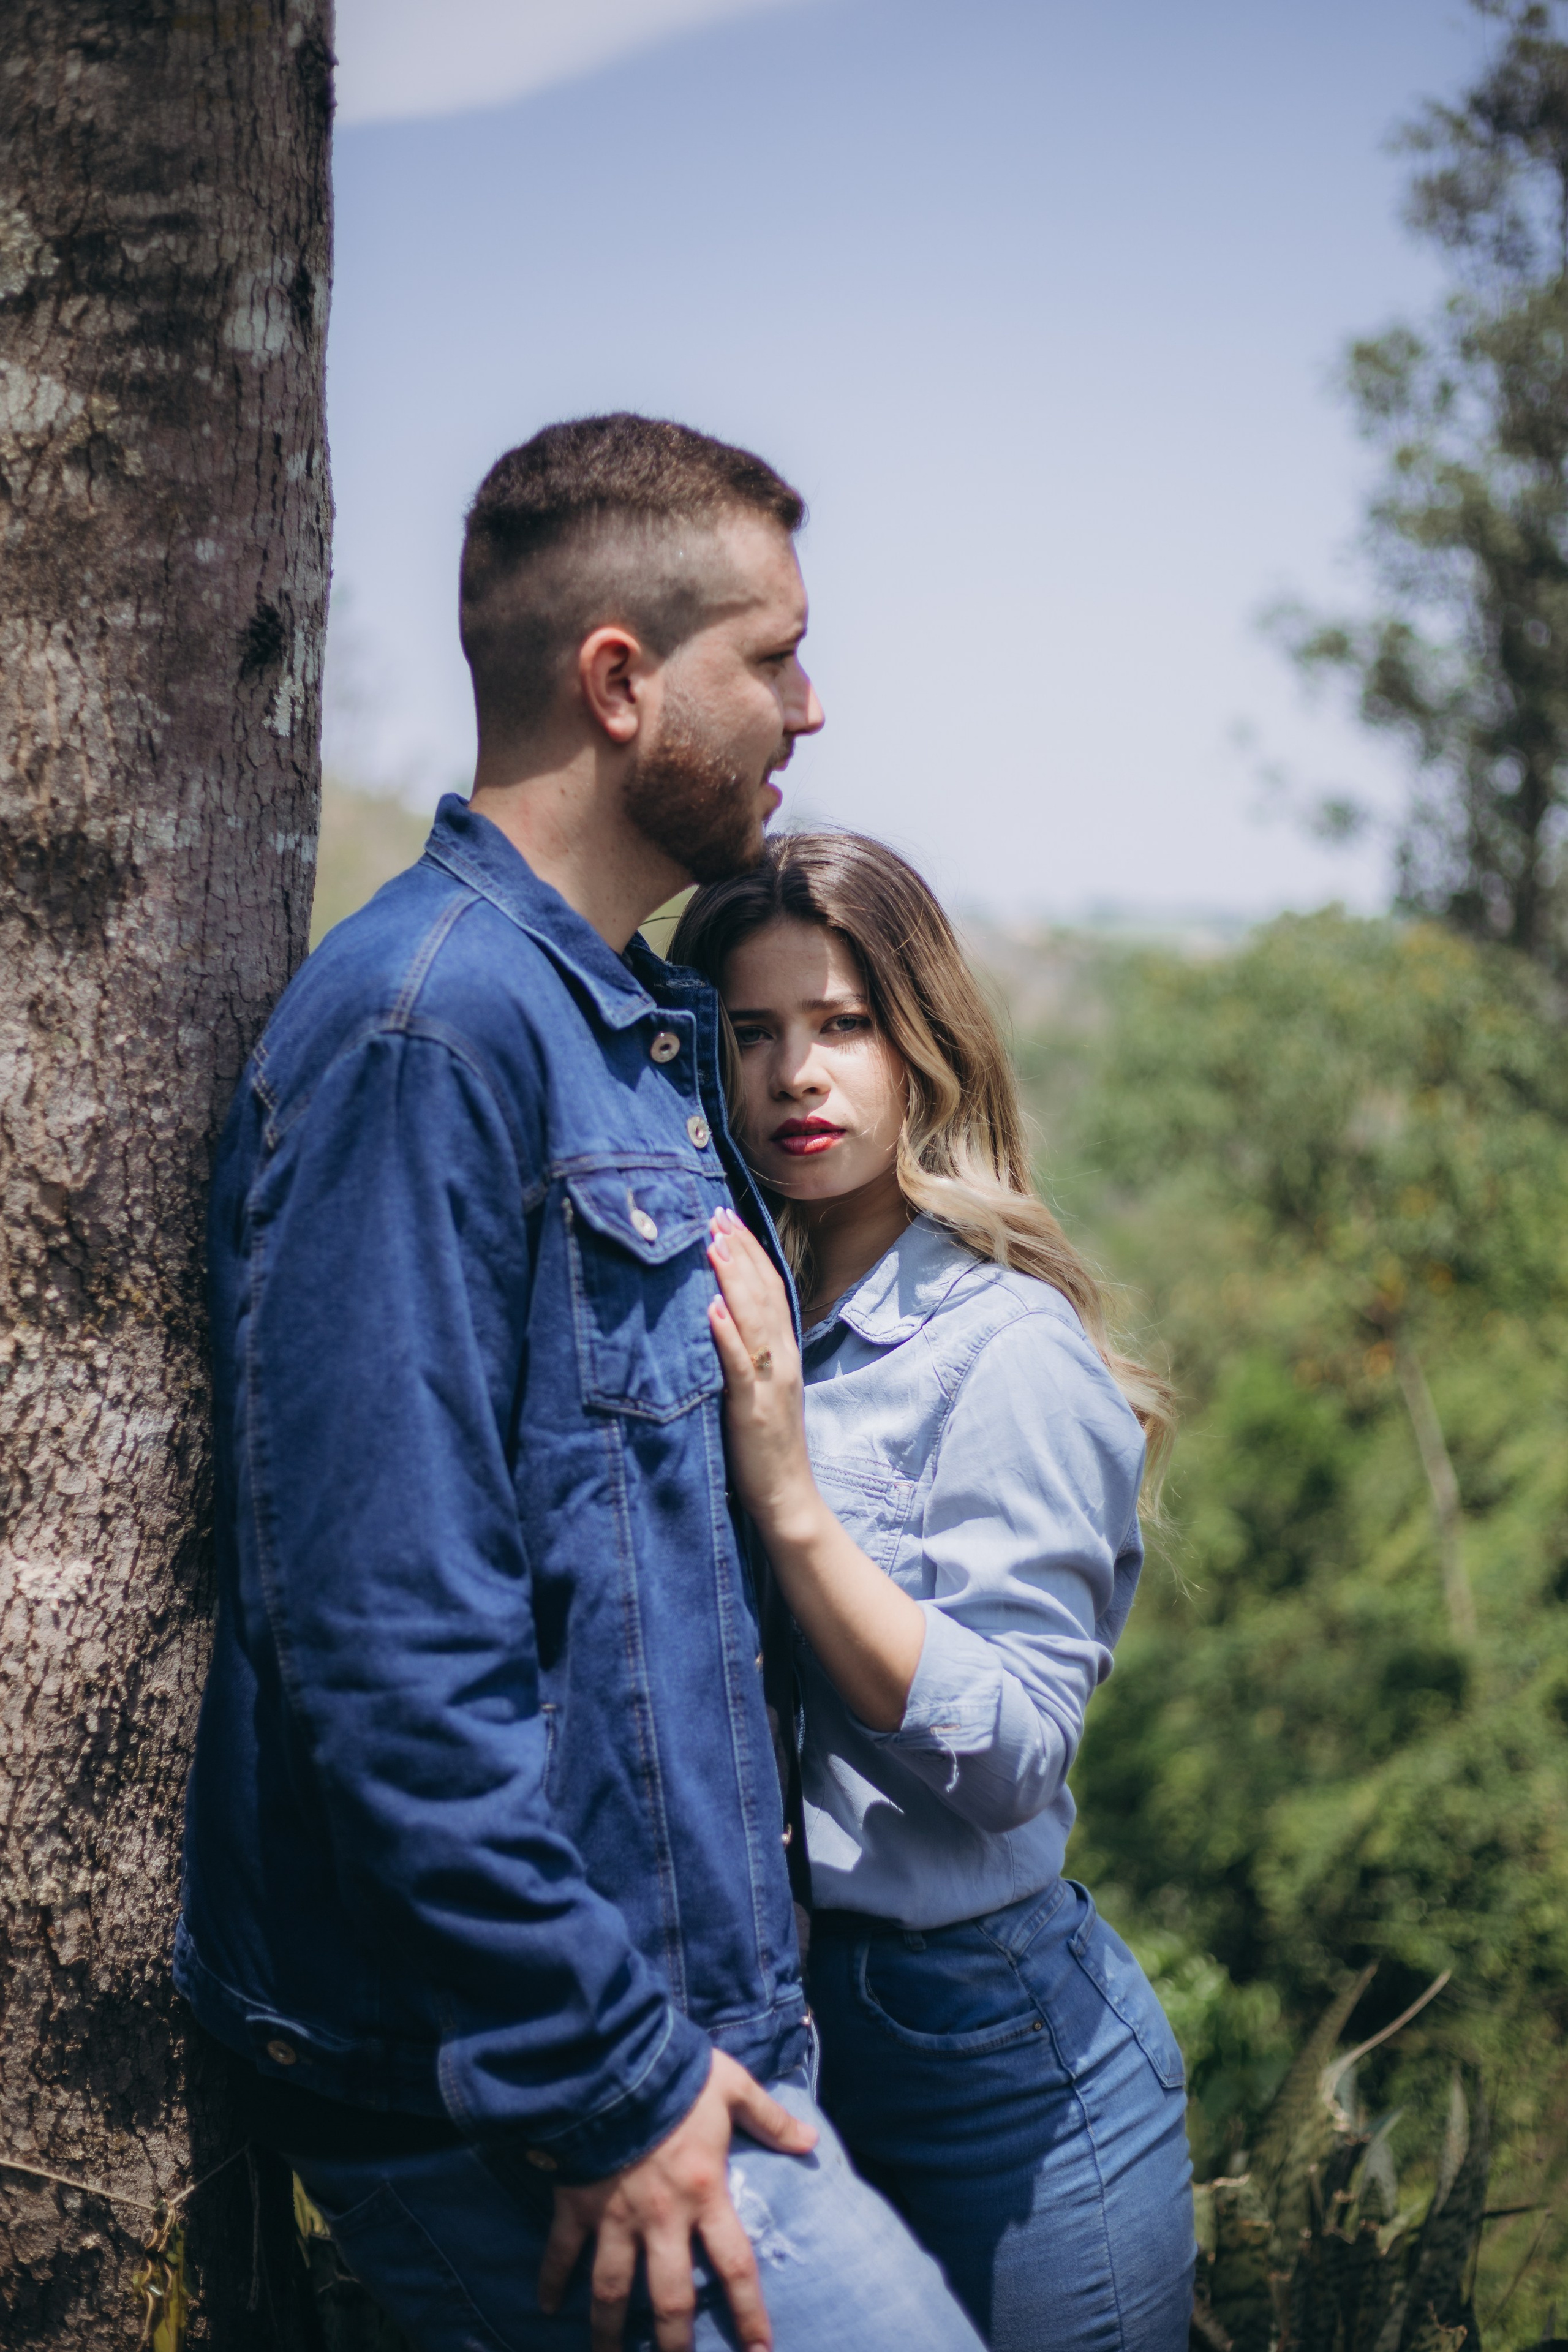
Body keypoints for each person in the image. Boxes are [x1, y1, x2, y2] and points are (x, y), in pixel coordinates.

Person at [175, 418, 984, 2352]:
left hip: (681, 2039)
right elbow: (381, 1629)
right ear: (620, 681)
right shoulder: (427, 1033)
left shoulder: (618, 1024)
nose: (811, 703)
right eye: (772, 656)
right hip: (542, 2096)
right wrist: (601, 2076)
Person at [671, 832, 1197, 2352]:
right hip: (772, 2033)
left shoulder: (1001, 1351)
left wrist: (788, 1498)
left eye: (841, 1025)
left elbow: (1018, 1749)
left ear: (921, 1045)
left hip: (999, 2071)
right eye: (749, 1033)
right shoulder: (729, 1295)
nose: (794, 1078)